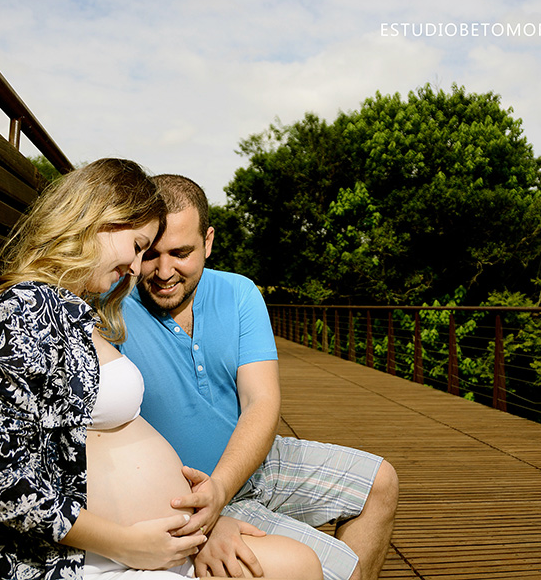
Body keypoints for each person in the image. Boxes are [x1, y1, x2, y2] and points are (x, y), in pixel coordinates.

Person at [0, 158, 323, 580]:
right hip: (83, 557)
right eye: (139, 247)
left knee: (303, 564)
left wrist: (202, 520)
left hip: (152, 540)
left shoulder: (73, 311)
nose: (136, 267)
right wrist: (127, 543)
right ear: (99, 221)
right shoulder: (23, 309)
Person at [117, 174, 399, 580]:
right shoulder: (115, 310)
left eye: (181, 252)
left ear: (208, 242)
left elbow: (260, 402)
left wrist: (224, 486)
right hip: (190, 493)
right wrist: (209, 510)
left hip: (256, 465)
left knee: (381, 482)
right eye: (151, 254)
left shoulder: (239, 292)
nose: (164, 271)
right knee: (341, 571)